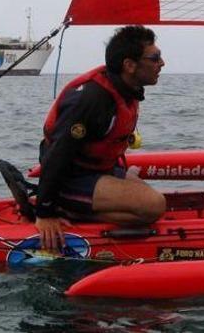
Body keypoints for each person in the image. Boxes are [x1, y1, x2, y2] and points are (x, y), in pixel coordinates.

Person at [35, 25, 166, 250]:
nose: (161, 63)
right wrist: (45, 212)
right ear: (129, 65)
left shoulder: (126, 89)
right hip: (71, 177)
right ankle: (68, 209)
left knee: (146, 196)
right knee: (153, 206)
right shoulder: (92, 99)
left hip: (95, 171)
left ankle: (78, 207)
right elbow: (57, 154)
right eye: (155, 58)